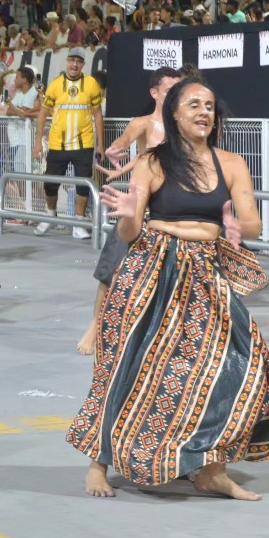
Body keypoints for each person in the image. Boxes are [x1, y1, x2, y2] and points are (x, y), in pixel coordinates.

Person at [68, 80, 269, 500]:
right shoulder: (153, 161)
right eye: (194, 105)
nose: (204, 112)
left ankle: (211, 471)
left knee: (239, 364)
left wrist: (236, 226)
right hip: (153, 267)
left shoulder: (231, 163)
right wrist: (129, 214)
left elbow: (253, 223)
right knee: (127, 365)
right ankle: (99, 464)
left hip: (206, 271)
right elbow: (129, 232)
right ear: (174, 113)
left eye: (210, 106)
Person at [78, 66, 185, 354]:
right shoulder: (144, 123)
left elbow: (152, 157)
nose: (175, 96)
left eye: (179, 90)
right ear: (155, 93)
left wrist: (126, 166)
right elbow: (126, 142)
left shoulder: (185, 126)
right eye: (169, 90)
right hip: (140, 208)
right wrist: (116, 150)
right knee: (111, 272)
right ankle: (95, 326)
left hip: (173, 211)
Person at [34, 48, 105, 240]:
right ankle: (50, 216)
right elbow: (43, 113)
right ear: (67, 61)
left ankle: (78, 225)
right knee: (50, 184)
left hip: (84, 145)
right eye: (72, 60)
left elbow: (98, 114)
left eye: (79, 61)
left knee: (83, 186)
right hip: (58, 145)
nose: (75, 65)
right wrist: (38, 142)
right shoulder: (55, 85)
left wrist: (101, 145)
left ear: (83, 64)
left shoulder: (91, 84)